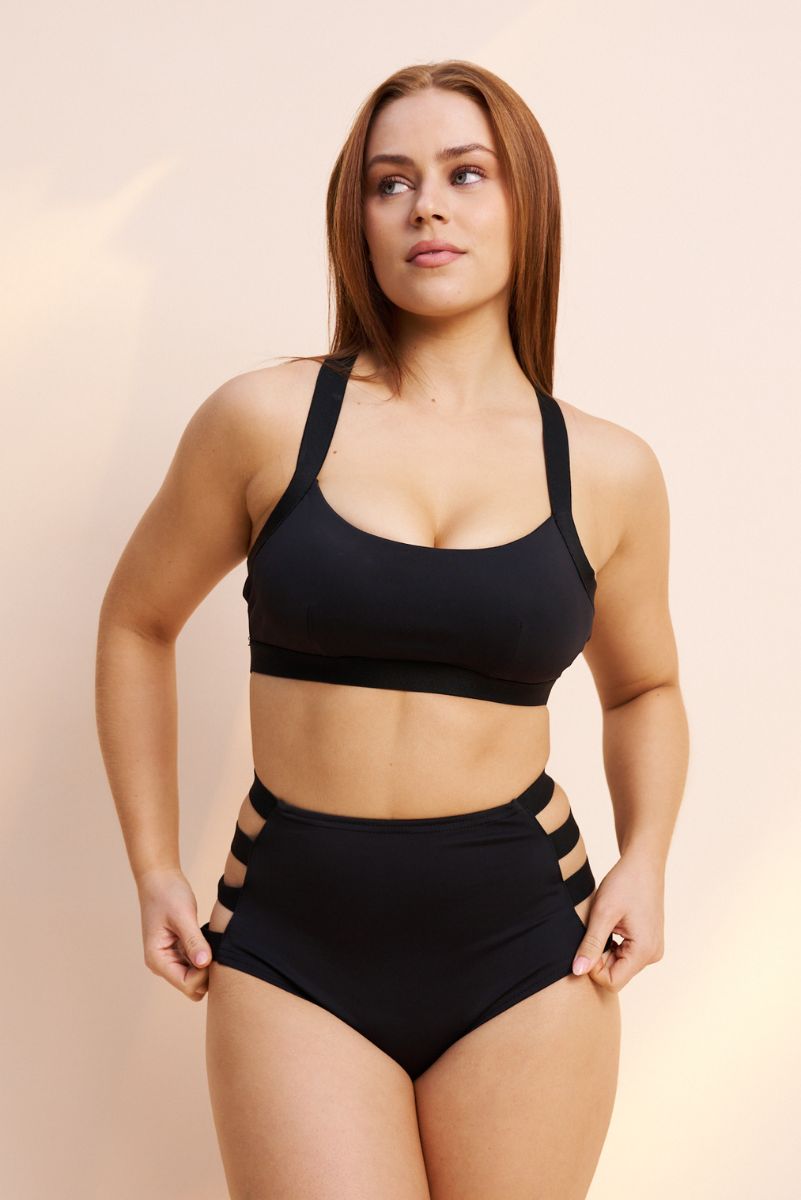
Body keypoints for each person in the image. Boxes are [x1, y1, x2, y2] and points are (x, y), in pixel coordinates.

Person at [96, 59, 688, 1200]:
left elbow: (644, 689)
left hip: (528, 944)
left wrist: (647, 858)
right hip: (294, 936)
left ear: (526, 203)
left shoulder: (608, 469)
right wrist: (153, 865)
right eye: (390, 182)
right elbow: (136, 621)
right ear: (356, 217)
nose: (426, 206)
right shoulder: (264, 422)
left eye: (466, 174)